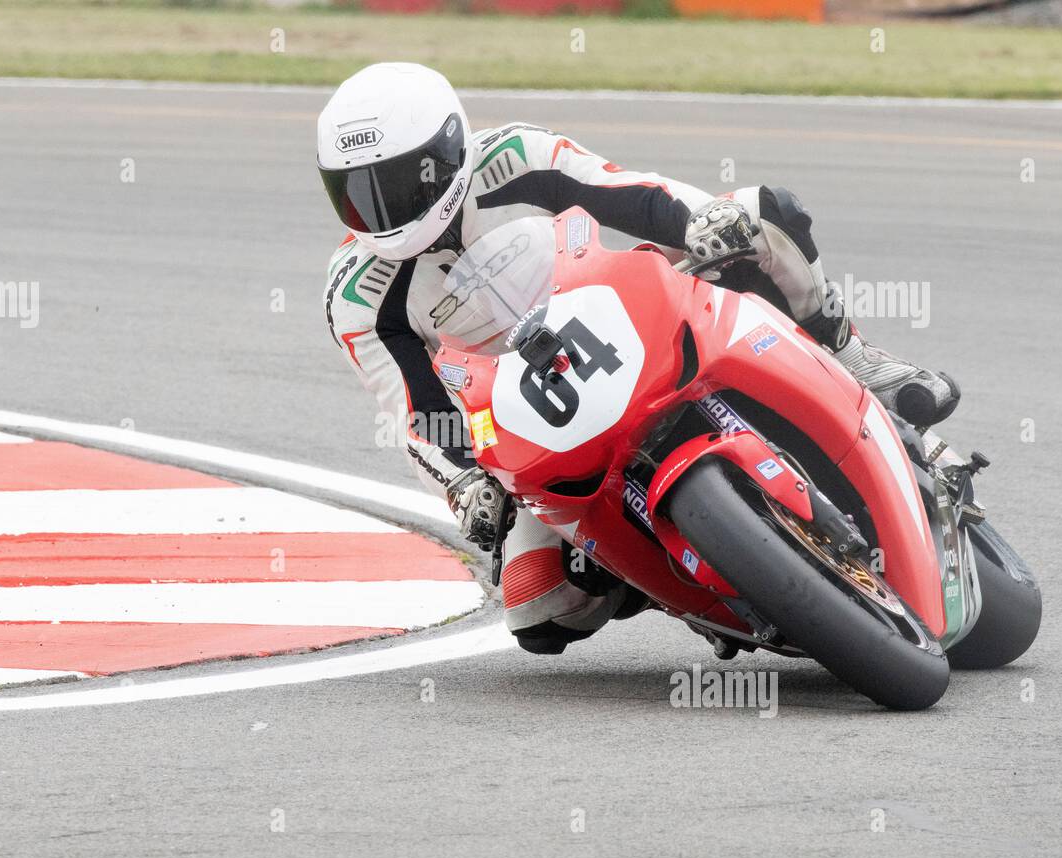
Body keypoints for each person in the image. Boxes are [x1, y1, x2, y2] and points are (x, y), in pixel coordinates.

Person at [318, 62, 959, 655]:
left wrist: (703, 219)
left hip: (630, 316)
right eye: (355, 193)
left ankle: (851, 357)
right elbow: (417, 412)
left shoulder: (512, 156)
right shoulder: (356, 296)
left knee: (764, 216)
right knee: (540, 611)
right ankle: (683, 574)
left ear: (447, 152)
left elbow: (630, 194)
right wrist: (464, 486)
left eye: (399, 184)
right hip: (530, 420)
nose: (380, 211)